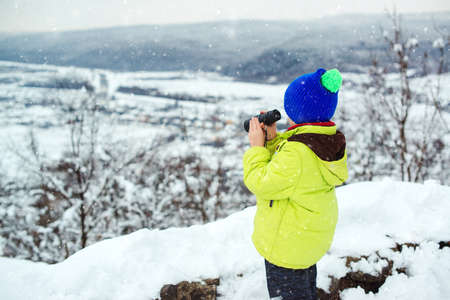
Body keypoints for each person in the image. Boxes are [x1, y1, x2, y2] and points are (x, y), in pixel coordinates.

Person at [243, 68, 348, 300]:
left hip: (286, 249)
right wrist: (272, 141)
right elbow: (291, 171)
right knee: (304, 292)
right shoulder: (322, 141)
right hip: (304, 242)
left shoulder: (297, 154)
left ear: (297, 112)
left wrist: (257, 149)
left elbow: (261, 182)